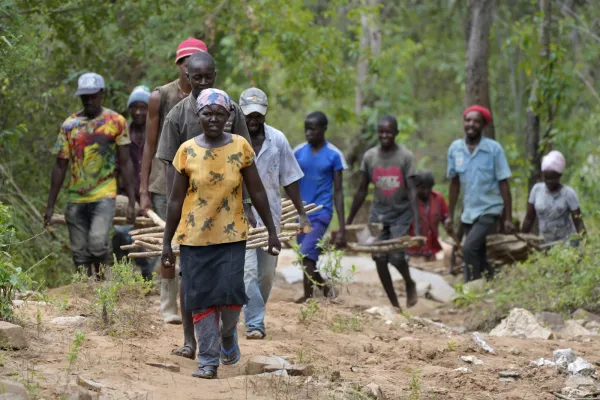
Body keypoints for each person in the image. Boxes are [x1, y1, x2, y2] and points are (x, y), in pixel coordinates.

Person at [161, 88, 280, 379]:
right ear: (198, 115)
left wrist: (272, 231)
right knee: (200, 298)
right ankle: (208, 361)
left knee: (230, 297)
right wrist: (167, 242)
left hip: (231, 237)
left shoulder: (240, 146)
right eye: (207, 113)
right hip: (194, 240)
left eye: (219, 113)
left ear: (229, 116)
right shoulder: (186, 150)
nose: (213, 119)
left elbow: (257, 191)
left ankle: (228, 334)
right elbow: (175, 201)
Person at [156, 51, 250, 359]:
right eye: (196, 77)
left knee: (228, 282)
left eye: (208, 77)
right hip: (192, 214)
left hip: (228, 213)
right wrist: (175, 216)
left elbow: (246, 162)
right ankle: (190, 340)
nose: (202, 82)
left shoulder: (230, 109)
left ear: (215, 76)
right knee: (190, 280)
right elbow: (172, 171)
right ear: (186, 76)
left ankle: (225, 334)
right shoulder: (177, 116)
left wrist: (247, 205)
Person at [139, 38, 208, 324]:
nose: (189, 66)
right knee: (169, 240)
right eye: (185, 61)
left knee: (200, 242)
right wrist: (142, 190)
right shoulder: (161, 96)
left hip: (203, 180)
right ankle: (168, 306)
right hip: (165, 181)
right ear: (180, 64)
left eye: (196, 60)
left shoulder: (212, 97)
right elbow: (149, 144)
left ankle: (198, 301)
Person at [44, 72, 136, 278]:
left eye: (93, 95)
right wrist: (50, 205)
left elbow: (126, 162)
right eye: (85, 96)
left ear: (102, 94)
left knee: (97, 243)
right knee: (79, 252)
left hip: (104, 194)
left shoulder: (115, 121)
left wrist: (131, 200)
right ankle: (84, 293)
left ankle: (105, 283)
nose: (89, 100)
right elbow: (60, 165)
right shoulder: (70, 126)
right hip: (76, 198)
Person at [238, 87, 309, 340]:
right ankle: (255, 322)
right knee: (246, 273)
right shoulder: (232, 141)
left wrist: (302, 213)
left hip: (271, 220)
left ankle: (251, 310)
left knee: (266, 276)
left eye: (258, 116)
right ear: (240, 113)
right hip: (239, 218)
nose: (254, 121)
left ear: (265, 114)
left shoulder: (277, 140)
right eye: (249, 116)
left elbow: (289, 178)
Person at [346, 115, 421, 310]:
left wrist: (418, 223)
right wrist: (349, 220)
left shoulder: (405, 157)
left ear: (396, 133)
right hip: (378, 216)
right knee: (379, 258)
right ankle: (395, 305)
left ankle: (409, 282)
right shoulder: (370, 157)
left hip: (401, 215)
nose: (385, 135)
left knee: (396, 257)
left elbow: (413, 191)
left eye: (389, 131)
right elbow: (362, 189)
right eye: (381, 132)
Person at [445, 105, 514, 282]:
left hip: (490, 207)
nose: (471, 124)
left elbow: (503, 183)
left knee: (468, 248)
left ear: (483, 125)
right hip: (469, 211)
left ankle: (471, 286)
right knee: (479, 252)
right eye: (468, 120)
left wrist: (507, 217)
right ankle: (490, 281)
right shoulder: (455, 149)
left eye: (476, 121)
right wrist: (450, 215)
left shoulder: (494, 149)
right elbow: (454, 184)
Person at [293, 111, 347, 302]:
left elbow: (339, 192)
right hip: (300, 213)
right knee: (304, 256)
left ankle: (308, 298)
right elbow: (289, 183)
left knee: (307, 252)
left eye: (313, 129)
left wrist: (342, 226)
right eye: (306, 129)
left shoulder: (334, 155)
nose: (309, 133)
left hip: (321, 212)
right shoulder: (297, 152)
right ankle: (324, 288)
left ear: (324, 129)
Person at [112, 85, 153, 280]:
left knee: (152, 238)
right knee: (121, 233)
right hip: (126, 196)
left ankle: (147, 272)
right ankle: (124, 272)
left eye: (143, 107)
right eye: (134, 107)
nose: (138, 112)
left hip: (151, 196)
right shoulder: (122, 134)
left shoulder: (157, 135)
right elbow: (116, 168)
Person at [522, 150, 585, 244]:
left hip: (566, 244)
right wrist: (521, 238)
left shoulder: (568, 193)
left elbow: (578, 221)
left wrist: (586, 244)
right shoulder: (536, 190)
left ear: (560, 176)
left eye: (553, 178)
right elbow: (529, 218)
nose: (549, 181)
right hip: (543, 243)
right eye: (546, 178)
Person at [408, 170, 449, 262]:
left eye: (429, 188)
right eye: (422, 188)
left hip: (431, 250)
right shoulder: (407, 201)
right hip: (413, 251)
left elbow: (445, 217)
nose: (426, 191)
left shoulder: (438, 198)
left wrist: (448, 223)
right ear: (415, 187)